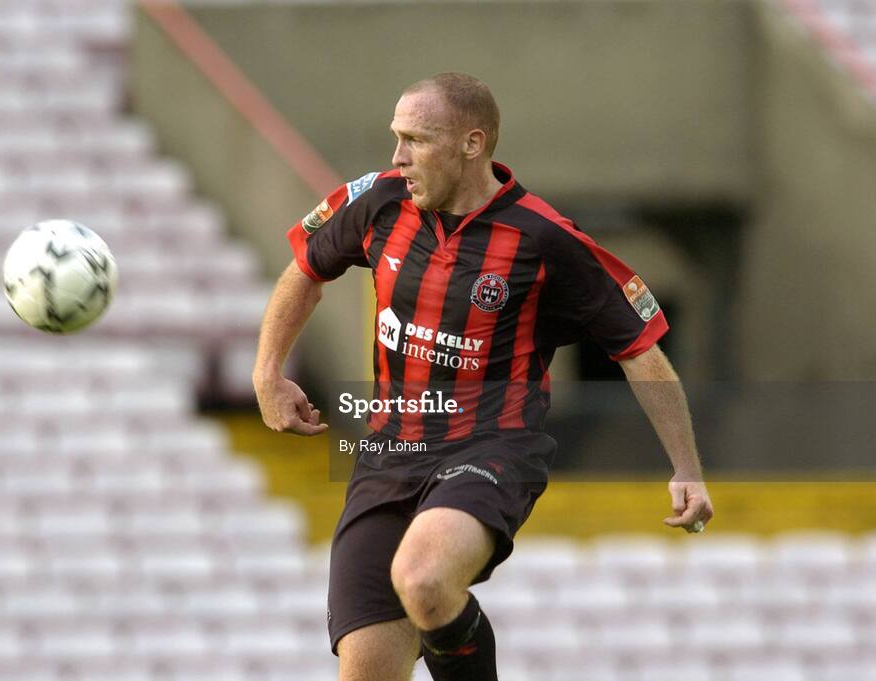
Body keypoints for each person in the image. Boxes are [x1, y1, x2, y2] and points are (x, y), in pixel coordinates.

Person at [253, 72, 713, 681]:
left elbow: (639, 350)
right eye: (396, 137)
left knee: (424, 577)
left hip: (491, 448)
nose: (397, 156)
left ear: (472, 144)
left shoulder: (544, 238)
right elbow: (306, 270)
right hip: (387, 455)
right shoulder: (379, 202)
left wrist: (686, 468)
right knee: (366, 669)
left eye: (415, 139)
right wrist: (268, 373)